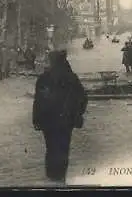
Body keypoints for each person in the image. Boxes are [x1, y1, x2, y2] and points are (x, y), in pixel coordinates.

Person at [33, 50, 88, 185]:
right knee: (63, 147)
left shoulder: (44, 78)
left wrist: (37, 119)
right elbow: (83, 98)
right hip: (65, 120)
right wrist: (77, 114)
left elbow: (38, 101)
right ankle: (60, 177)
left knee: (51, 147)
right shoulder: (71, 78)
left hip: (49, 121)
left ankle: (52, 176)